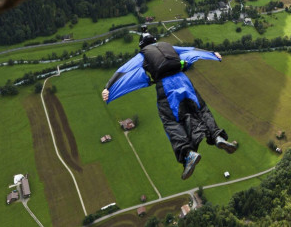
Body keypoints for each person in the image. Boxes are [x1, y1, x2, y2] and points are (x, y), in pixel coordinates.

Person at [101, 29, 238, 180]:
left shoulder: (143, 55)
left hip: (166, 88)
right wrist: (212, 54)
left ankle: (187, 153)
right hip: (184, 81)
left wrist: (108, 88)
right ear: (154, 40)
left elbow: (123, 71)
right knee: (201, 109)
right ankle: (217, 136)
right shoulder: (168, 46)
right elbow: (190, 51)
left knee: (171, 122)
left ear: (142, 45)